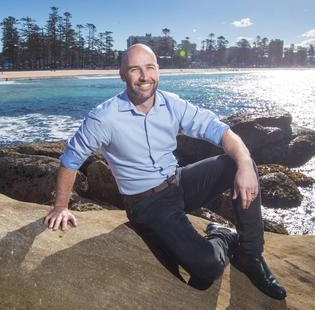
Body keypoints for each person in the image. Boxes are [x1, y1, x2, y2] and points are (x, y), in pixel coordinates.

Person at [44, 44, 286, 299]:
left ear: (158, 70)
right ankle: (223, 236)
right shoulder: (104, 118)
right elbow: (71, 159)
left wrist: (246, 163)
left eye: (149, 68)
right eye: (135, 70)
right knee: (209, 267)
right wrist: (61, 207)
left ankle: (250, 256)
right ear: (122, 74)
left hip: (178, 181)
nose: (144, 76)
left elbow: (220, 130)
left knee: (239, 162)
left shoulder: (172, 104)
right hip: (147, 202)